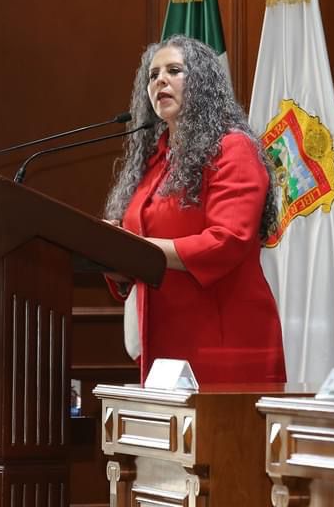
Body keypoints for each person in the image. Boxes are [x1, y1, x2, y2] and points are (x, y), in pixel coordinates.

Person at [104, 35, 287, 385]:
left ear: (202, 83)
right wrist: (112, 254)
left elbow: (227, 240)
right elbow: (141, 251)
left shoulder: (233, 149)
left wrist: (134, 250)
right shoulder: (154, 161)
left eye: (174, 71)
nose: (160, 80)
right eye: (153, 75)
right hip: (164, 341)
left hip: (223, 340)